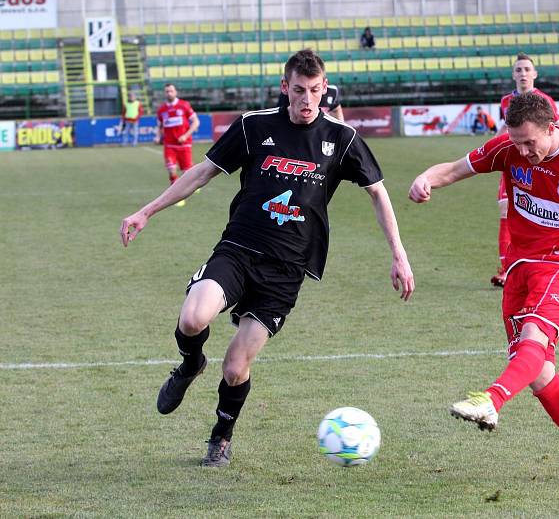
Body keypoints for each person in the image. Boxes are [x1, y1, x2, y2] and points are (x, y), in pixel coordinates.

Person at [119, 49, 415, 468]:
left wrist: (398, 255)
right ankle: (189, 364)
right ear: (284, 87)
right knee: (192, 319)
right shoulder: (253, 126)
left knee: (237, 367)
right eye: (299, 91)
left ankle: (220, 438)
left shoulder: (341, 138)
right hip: (239, 249)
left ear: (325, 89)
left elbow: (378, 192)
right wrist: (147, 210)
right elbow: (201, 173)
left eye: (316, 91)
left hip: (286, 270)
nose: (308, 100)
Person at [409, 92, 559, 486]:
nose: (523, 151)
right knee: (539, 371)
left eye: (531, 142)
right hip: (520, 267)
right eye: (517, 142)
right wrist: (426, 178)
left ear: (552, 128)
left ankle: (490, 399)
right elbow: (456, 169)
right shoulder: (508, 148)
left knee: (534, 336)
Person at [492, 53, 559, 288]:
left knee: (536, 217)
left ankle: (542, 264)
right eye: (519, 70)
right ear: (513, 74)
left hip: (537, 168)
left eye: (527, 69)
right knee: (505, 212)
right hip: (513, 168)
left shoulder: (545, 101)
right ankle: (507, 271)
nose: (523, 73)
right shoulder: (506, 102)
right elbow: (504, 131)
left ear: (534, 74)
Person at [155, 83, 200, 206]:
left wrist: (185, 135)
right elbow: (159, 126)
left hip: (184, 145)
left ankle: (194, 183)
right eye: (167, 91)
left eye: (171, 91)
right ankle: (178, 198)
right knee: (171, 169)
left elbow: (196, 122)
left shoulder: (184, 105)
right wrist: (158, 136)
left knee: (187, 171)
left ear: (175, 92)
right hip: (169, 145)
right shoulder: (162, 110)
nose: (169, 93)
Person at [277, 82, 344, 122]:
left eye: (314, 90)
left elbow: (336, 109)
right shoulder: (288, 94)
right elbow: (280, 116)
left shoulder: (331, 92)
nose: (308, 100)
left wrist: (341, 127)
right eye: (299, 91)